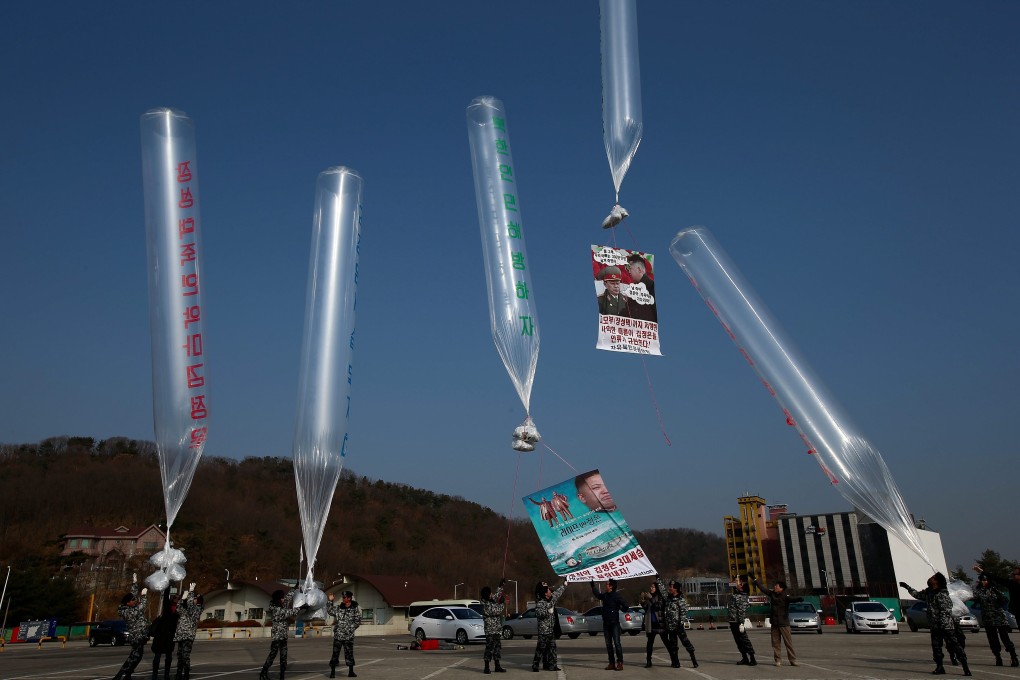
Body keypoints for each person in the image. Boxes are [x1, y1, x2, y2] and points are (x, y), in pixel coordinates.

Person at [901, 573, 971, 676]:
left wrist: (942, 624)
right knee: (936, 647)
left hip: (945, 626)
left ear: (937, 582)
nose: (931, 578)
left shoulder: (942, 594)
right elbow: (917, 595)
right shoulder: (929, 592)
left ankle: (965, 667)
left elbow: (946, 610)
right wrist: (907, 587)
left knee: (955, 646)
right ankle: (940, 667)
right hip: (935, 626)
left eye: (933, 578)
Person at [750, 574, 802, 667]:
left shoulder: (785, 596)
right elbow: (762, 588)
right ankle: (778, 660)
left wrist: (798, 599)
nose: (774, 587)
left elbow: (792, 599)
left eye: (776, 586)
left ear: (781, 588)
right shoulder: (772, 594)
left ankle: (792, 660)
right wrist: (754, 579)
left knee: (788, 643)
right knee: (775, 644)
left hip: (784, 624)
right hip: (774, 623)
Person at [971, 571, 1018, 667]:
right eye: (981, 580)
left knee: (1005, 638)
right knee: (993, 640)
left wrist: (999, 600)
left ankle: (1013, 656)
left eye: (985, 580)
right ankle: (998, 657)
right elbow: (973, 598)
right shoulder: (979, 592)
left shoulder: (994, 589)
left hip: (999, 617)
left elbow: (1005, 600)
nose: (983, 582)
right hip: (988, 619)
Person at [260, 589, 304, 680]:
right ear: (278, 600)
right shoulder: (276, 610)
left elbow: (287, 599)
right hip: (277, 637)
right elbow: (290, 612)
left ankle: (282, 675)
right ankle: (263, 672)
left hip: (283, 636)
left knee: (284, 656)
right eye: (282, 598)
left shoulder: (281, 604)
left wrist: (294, 589)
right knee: (273, 654)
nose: (284, 599)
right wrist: (301, 608)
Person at [113, 575, 149, 680]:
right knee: (134, 656)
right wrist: (144, 596)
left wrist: (134, 583)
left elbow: (133, 595)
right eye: (133, 600)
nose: (135, 601)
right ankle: (120, 675)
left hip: (140, 635)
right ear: (127, 603)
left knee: (138, 656)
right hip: (136, 636)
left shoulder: (130, 607)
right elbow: (142, 607)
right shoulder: (127, 611)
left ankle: (127, 674)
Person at [974, 564, 1020, 644]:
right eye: (1012, 574)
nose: (1012, 576)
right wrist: (982, 572)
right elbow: (997, 578)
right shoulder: (1012, 584)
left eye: (1014, 574)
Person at [659, 577, 697, 668]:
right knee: (673, 646)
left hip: (678, 626)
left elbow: (683, 612)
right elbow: (662, 591)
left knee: (686, 643)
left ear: (676, 588)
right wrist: (658, 579)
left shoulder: (680, 599)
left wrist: (680, 622)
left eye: (671, 587)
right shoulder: (668, 598)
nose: (670, 588)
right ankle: (676, 662)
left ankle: (694, 660)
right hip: (670, 627)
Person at [591, 578, 627, 670]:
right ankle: (611, 663)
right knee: (608, 644)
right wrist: (592, 586)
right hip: (606, 623)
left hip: (614, 623)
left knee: (617, 643)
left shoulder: (616, 596)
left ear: (611, 586)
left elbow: (625, 606)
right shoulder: (605, 595)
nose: (605, 585)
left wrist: (623, 607)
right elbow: (598, 595)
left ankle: (620, 662)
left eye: (607, 584)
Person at [532, 580, 567, 672]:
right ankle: (535, 665)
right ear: (545, 593)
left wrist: (564, 584)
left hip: (550, 630)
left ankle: (553, 665)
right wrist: (548, 611)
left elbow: (558, 593)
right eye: (548, 590)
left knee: (552, 649)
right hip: (543, 631)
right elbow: (539, 614)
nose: (550, 591)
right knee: (540, 648)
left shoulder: (551, 599)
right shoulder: (540, 603)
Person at [326, 590, 362, 678]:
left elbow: (358, 621)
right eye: (343, 597)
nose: (343, 599)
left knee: (349, 653)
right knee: (335, 654)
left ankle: (351, 672)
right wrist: (330, 601)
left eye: (345, 597)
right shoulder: (339, 608)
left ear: (349, 598)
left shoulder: (355, 609)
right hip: (338, 635)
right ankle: (333, 672)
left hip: (348, 636)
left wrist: (350, 629)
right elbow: (330, 611)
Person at [149, 589, 180, 680]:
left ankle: (166, 674)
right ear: (172, 598)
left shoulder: (179, 610)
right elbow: (166, 597)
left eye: (178, 598)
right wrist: (168, 583)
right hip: (161, 635)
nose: (177, 599)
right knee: (157, 656)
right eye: (175, 598)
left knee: (169, 656)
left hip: (170, 636)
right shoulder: (167, 607)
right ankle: (155, 675)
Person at [173, 584, 202, 680]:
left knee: (185, 656)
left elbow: (190, 605)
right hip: (181, 635)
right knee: (180, 655)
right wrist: (182, 599)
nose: (193, 600)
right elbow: (178, 608)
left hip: (188, 636)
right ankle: (178, 673)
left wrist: (191, 592)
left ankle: (186, 674)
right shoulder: (184, 610)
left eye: (194, 598)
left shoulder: (196, 609)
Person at [727, 576, 756, 666]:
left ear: (742, 588)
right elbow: (733, 585)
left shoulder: (741, 597)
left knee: (744, 640)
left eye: (740, 584)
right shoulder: (736, 595)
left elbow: (741, 611)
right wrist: (736, 580)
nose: (738, 584)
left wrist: (741, 623)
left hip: (738, 622)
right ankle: (744, 658)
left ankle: (752, 658)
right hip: (733, 621)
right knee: (738, 641)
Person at [481, 579, 508, 674]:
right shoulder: (486, 604)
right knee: (489, 648)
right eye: (490, 593)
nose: (492, 594)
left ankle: (497, 666)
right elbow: (496, 611)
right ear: (487, 595)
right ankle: (486, 667)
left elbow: (496, 595)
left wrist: (501, 586)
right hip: (490, 631)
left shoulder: (490, 601)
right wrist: (502, 603)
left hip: (496, 629)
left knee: (497, 648)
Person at [640, 580, 668, 667]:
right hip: (651, 624)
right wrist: (642, 600)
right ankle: (648, 661)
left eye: (653, 587)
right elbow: (646, 608)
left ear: (657, 588)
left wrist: (651, 598)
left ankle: (674, 659)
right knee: (649, 643)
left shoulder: (660, 597)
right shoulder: (650, 598)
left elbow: (658, 607)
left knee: (666, 642)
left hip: (660, 624)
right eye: (650, 587)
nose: (651, 588)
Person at [623, 254, 657, 322]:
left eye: (630, 268)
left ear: (639, 269)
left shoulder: (651, 286)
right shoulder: (636, 288)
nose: (629, 271)